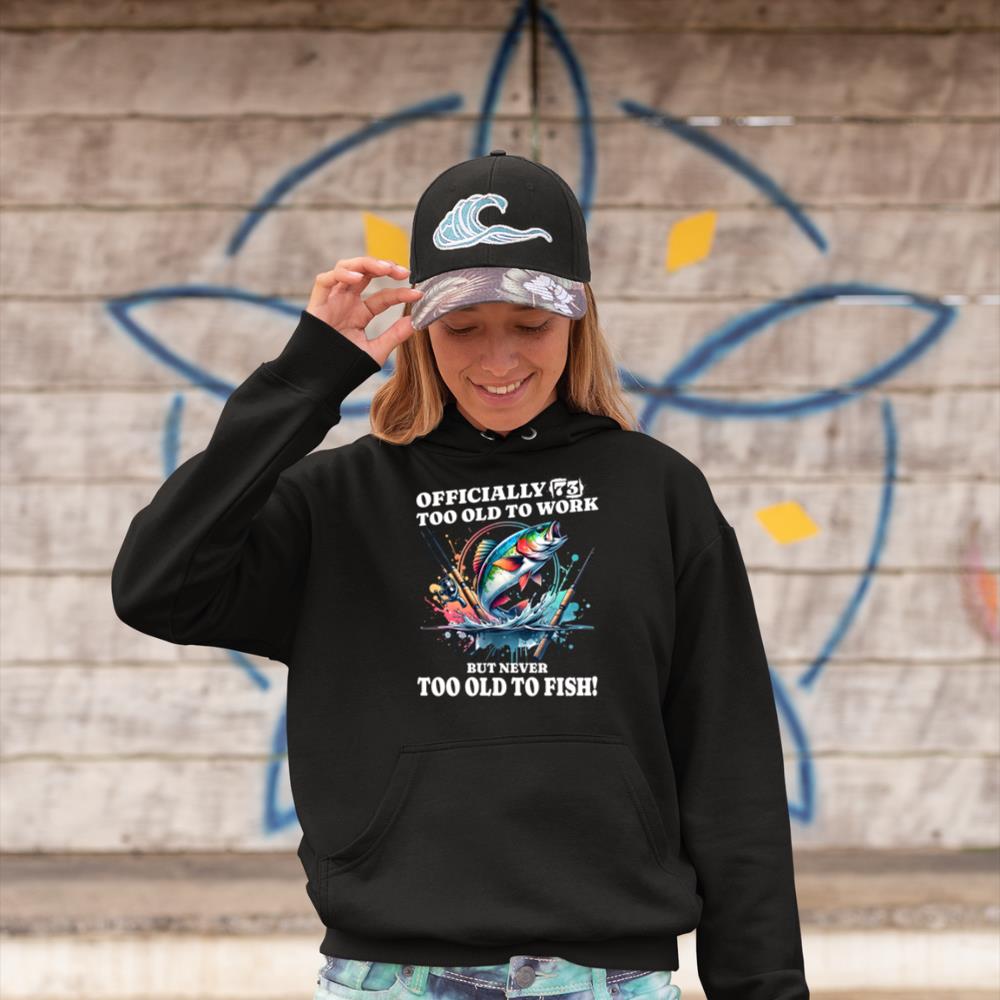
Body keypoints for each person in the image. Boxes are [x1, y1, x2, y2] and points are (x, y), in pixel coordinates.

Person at [111, 151, 809, 1000]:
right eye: (463, 328)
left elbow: (730, 763)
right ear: (419, 329)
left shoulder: (658, 493)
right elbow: (157, 585)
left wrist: (763, 985)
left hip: (607, 974)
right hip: (390, 974)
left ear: (578, 320)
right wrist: (308, 375)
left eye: (530, 324)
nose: (498, 359)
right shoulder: (339, 501)